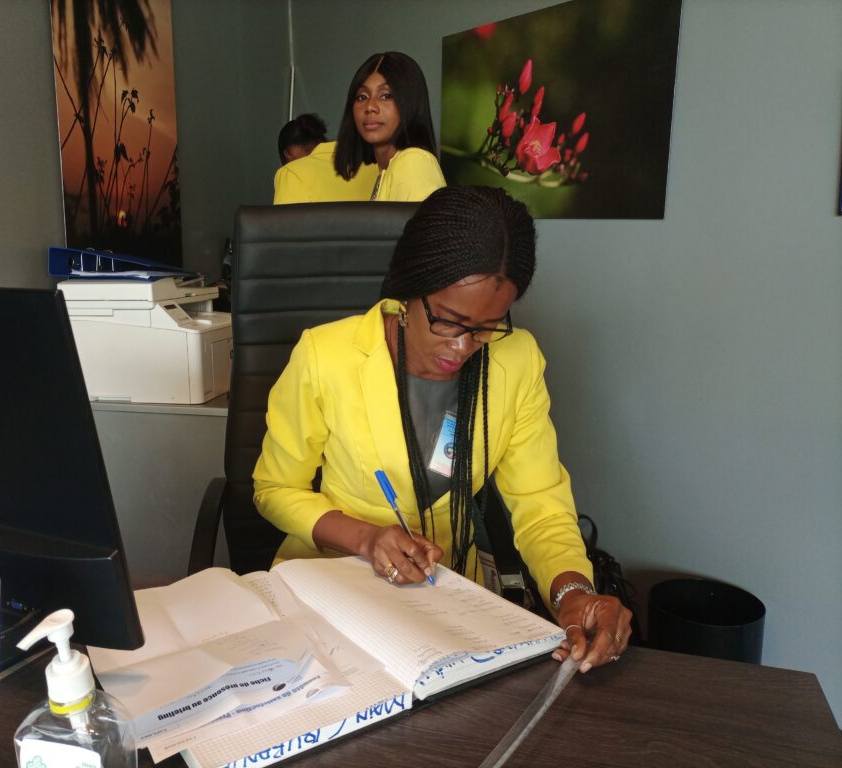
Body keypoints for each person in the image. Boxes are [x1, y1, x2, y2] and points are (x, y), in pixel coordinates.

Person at [254, 185, 632, 672]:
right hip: (332, 588)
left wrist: (572, 592)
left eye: (487, 326)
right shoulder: (326, 357)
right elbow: (274, 489)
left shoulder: (516, 362)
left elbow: (541, 506)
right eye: (449, 321)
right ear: (408, 289)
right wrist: (366, 538)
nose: (463, 347)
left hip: (446, 598)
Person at [273, 51, 445, 204]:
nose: (370, 106)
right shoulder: (385, 171)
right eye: (362, 97)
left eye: (386, 95)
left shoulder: (413, 161)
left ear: (410, 103)